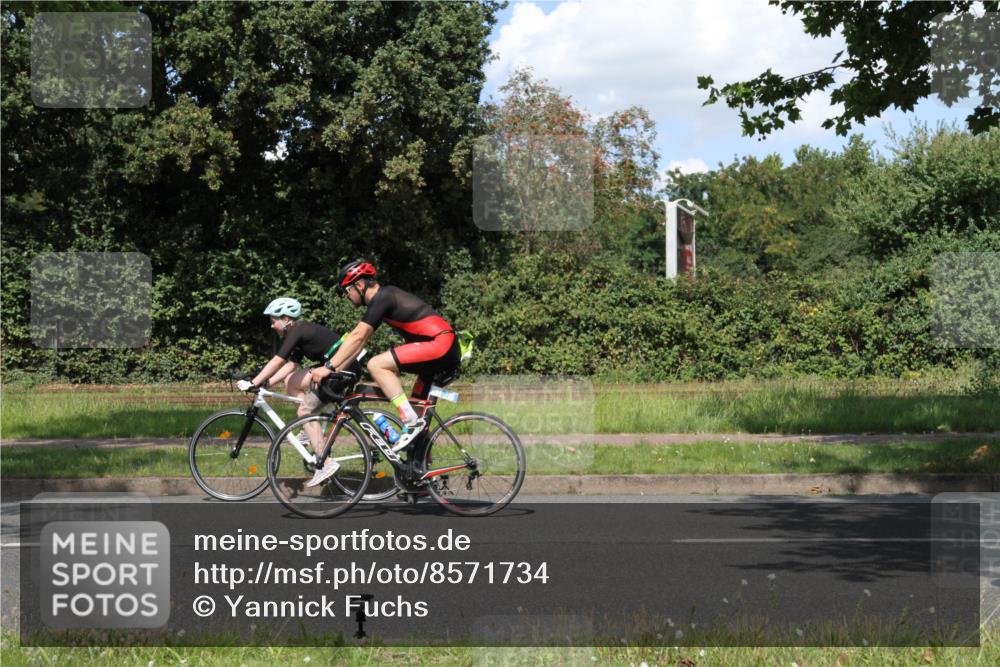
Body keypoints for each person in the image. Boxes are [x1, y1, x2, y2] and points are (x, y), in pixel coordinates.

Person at [309, 259, 461, 486]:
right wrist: (335, 369)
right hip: (440, 350)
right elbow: (357, 345)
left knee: (377, 365)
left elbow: (357, 336)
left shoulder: (384, 296)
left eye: (346, 291)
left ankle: (409, 420)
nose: (346, 296)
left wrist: (328, 367)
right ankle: (422, 478)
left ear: (359, 285)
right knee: (420, 423)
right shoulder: (383, 299)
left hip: (440, 344)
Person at [245, 297, 355, 485]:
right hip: (339, 370)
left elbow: (278, 360)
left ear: (285, 319)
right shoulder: (299, 330)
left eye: (273, 321)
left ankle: (325, 462)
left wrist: (253, 382)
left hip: (342, 372)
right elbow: (290, 366)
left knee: (304, 411)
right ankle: (309, 428)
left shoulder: (298, 331)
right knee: (292, 381)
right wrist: (266, 384)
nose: (272, 326)